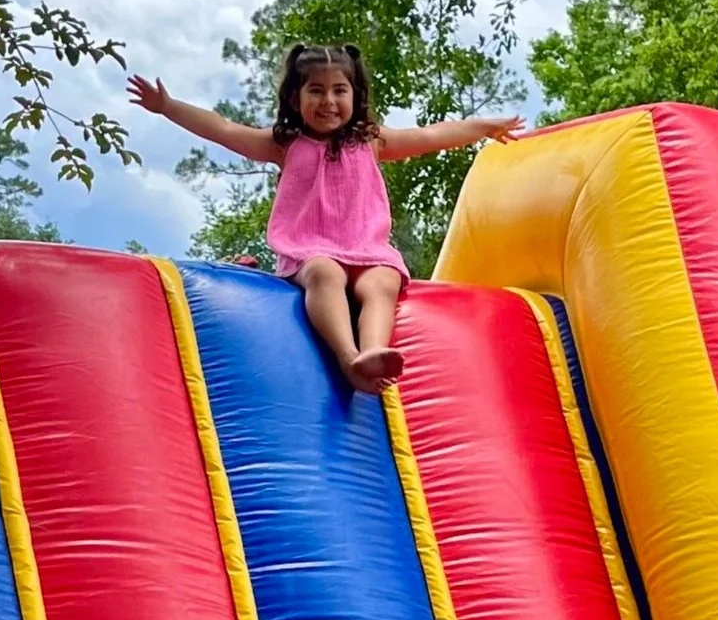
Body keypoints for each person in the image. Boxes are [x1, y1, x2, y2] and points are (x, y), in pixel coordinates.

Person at [128, 45, 524, 393]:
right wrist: (168, 107)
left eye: (339, 90)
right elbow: (224, 129)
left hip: (368, 250)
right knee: (326, 274)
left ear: (356, 95)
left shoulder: (369, 141)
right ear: (295, 97)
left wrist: (482, 128)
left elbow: (428, 136)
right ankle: (349, 356)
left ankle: (373, 352)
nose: (328, 101)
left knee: (383, 283)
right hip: (310, 250)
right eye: (315, 90)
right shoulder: (285, 144)